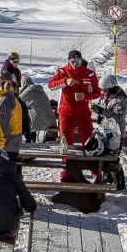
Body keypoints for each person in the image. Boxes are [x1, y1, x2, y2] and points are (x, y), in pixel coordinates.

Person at [47, 49, 102, 181]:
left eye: (78, 61)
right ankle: (67, 168)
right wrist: (64, 82)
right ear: (68, 61)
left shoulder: (90, 74)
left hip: (83, 111)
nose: (75, 64)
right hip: (66, 111)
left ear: (82, 60)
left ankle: (93, 167)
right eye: (72, 61)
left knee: (88, 138)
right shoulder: (62, 71)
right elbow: (50, 85)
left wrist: (85, 96)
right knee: (66, 139)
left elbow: (97, 92)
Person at [0, 78, 25, 162]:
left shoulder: (4, 101)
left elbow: (1, 126)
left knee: (1, 173)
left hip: (5, 147)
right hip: (14, 144)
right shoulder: (14, 99)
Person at [19, 74, 57, 143]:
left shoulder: (28, 91)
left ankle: (31, 141)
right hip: (51, 120)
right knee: (32, 114)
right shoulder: (40, 90)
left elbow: (17, 101)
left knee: (27, 121)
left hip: (39, 122)